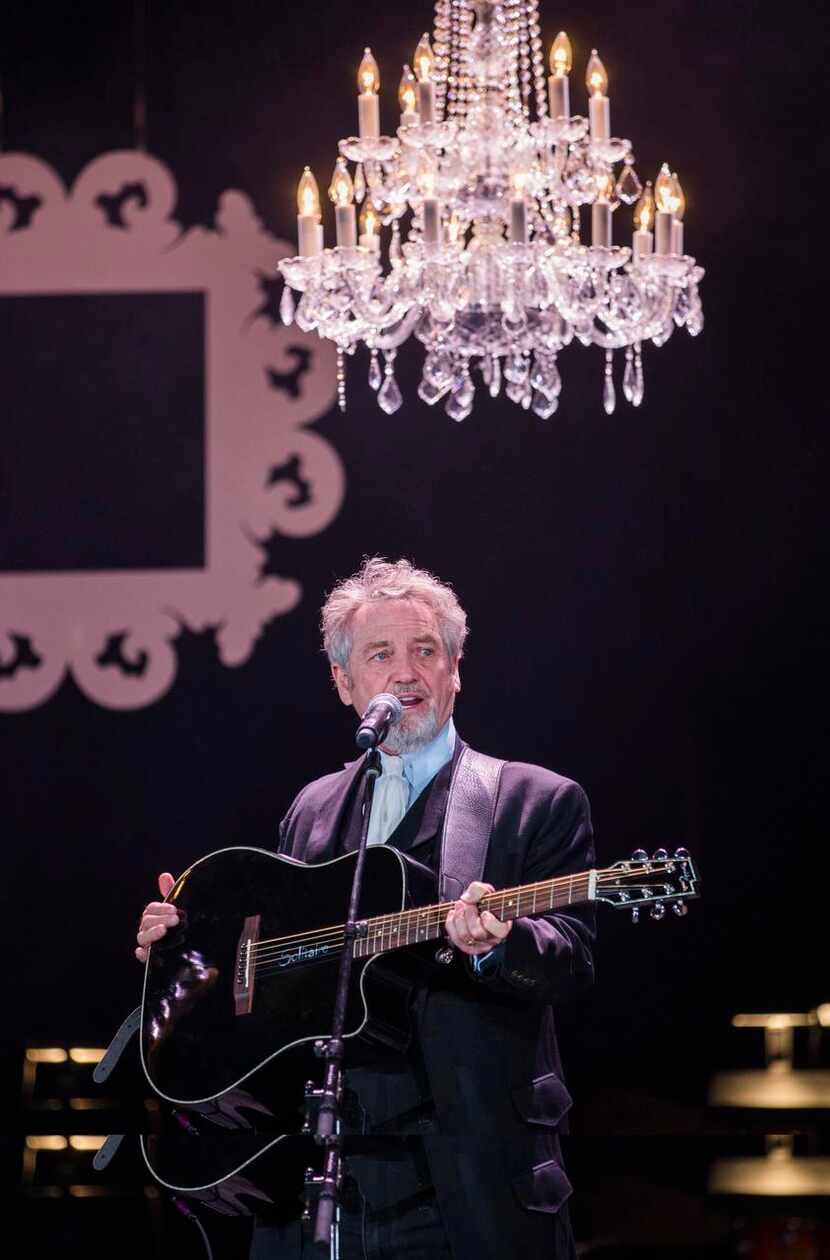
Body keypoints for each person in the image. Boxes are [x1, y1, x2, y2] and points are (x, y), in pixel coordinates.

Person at [136, 557, 596, 1258]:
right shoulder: (314, 809)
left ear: (455, 669)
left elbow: (572, 956)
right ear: (345, 682)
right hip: (314, 1175)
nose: (405, 672)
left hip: (468, 1182)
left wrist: (501, 945)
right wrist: (184, 947)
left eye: (425, 651)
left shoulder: (533, 800)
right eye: (381, 654)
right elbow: (269, 969)